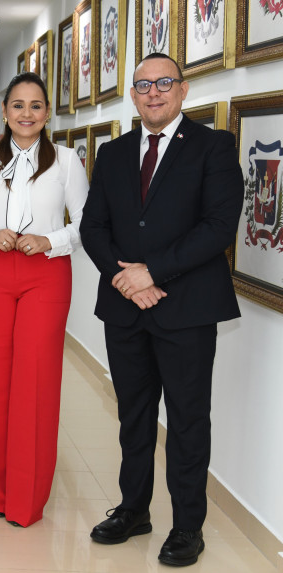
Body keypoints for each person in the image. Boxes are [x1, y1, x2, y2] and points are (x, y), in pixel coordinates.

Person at [80, 53, 243, 567]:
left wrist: (152, 272)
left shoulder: (214, 147)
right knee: (133, 417)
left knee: (188, 421)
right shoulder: (113, 153)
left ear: (183, 89)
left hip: (187, 310)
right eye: (144, 85)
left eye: (164, 83)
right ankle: (133, 510)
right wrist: (126, 280)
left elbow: (219, 226)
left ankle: (188, 527)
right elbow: (93, 228)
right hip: (126, 309)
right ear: (132, 94)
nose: (154, 92)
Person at [0, 72, 89, 528]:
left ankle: (26, 500)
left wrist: (49, 240)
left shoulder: (68, 161)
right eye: (18, 105)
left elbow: (87, 223)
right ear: (5, 112)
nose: (26, 114)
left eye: (35, 105)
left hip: (46, 275)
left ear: (47, 113)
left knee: (35, 382)